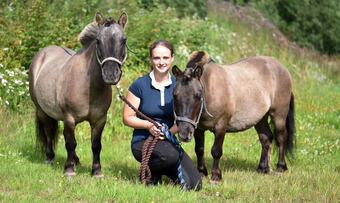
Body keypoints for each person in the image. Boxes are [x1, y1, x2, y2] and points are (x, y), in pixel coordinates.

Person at [123, 39, 202, 190]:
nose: (161, 62)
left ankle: (161, 170)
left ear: (172, 58)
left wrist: (169, 132)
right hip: (143, 141)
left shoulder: (179, 85)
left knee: (195, 184)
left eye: (165, 58)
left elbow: (184, 117)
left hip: (168, 141)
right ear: (151, 59)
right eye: (157, 58)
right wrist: (149, 125)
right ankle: (150, 173)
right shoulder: (140, 84)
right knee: (170, 156)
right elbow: (127, 118)